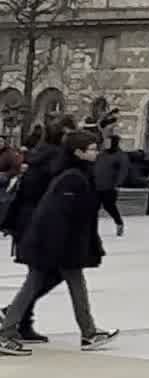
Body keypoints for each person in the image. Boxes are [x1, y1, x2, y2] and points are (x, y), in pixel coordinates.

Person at [0, 133, 117, 352]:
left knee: (42, 285)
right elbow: (59, 216)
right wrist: (62, 247)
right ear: (79, 152)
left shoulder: (74, 174)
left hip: (54, 243)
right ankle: (88, 333)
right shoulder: (72, 178)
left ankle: (88, 332)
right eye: (92, 149)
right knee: (59, 285)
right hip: (56, 244)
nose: (96, 153)